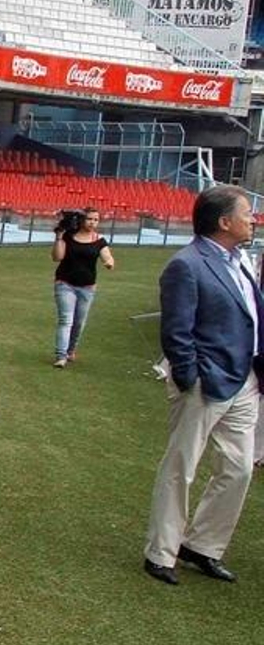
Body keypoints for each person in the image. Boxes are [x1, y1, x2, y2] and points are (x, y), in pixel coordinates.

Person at [142, 185, 261, 586]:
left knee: (240, 467)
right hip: (205, 380)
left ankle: (203, 546)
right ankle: (161, 552)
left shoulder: (240, 261)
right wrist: (191, 376)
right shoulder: (187, 265)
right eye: (247, 213)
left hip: (245, 379)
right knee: (182, 465)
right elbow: (176, 332)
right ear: (224, 221)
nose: (254, 219)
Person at [50, 207, 115, 367]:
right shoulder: (68, 237)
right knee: (66, 320)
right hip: (65, 284)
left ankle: (71, 350)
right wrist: (59, 237)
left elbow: (108, 257)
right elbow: (57, 257)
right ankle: (61, 356)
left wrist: (109, 262)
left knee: (79, 322)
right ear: (81, 220)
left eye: (95, 219)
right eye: (89, 219)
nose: (92, 222)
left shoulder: (99, 240)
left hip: (87, 287)